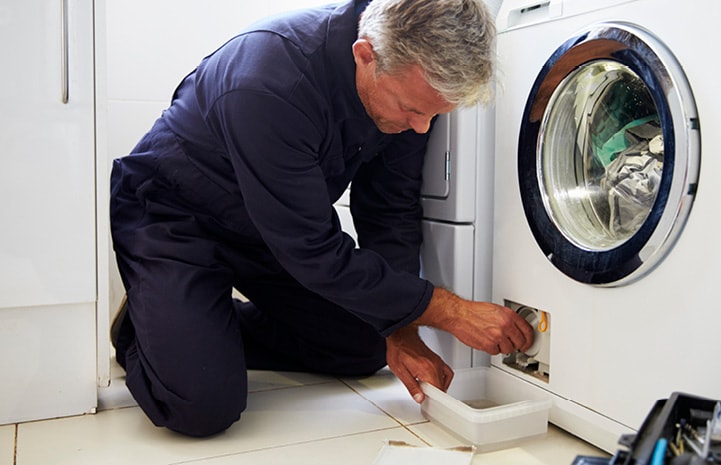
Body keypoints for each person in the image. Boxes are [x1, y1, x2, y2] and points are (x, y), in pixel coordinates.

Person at [109, 0, 535, 438]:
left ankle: (202, 322)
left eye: (435, 113)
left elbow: (389, 211)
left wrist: (402, 328)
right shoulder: (269, 80)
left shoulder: (406, 94)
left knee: (367, 342)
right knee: (201, 406)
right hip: (174, 216)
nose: (423, 127)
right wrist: (448, 309)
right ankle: (145, 328)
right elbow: (313, 251)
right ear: (365, 55)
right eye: (412, 109)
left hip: (268, 230)